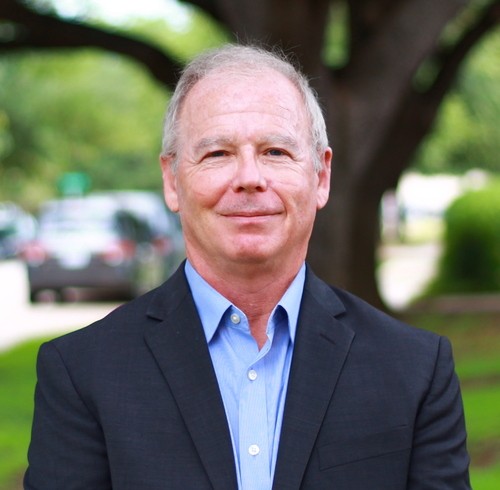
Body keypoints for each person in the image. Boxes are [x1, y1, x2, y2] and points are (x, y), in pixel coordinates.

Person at [24, 44, 471, 490]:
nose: (249, 178)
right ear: (172, 181)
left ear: (320, 177)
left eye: (275, 151)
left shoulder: (415, 370)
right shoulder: (83, 373)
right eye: (217, 154)